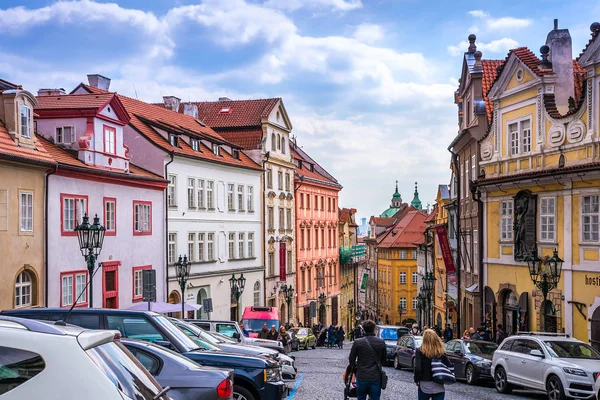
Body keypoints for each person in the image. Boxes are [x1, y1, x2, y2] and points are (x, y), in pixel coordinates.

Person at [348, 320, 386, 400]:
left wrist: (356, 368)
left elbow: (351, 359)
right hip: (375, 377)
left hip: (362, 376)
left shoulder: (358, 342)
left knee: (361, 398)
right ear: (374, 329)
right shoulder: (381, 342)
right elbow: (383, 360)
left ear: (363, 329)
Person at [414, 329, 452, 400]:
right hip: (438, 384)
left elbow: (418, 368)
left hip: (424, 384)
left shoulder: (420, 351)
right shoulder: (441, 352)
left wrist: (416, 380)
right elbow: (448, 366)